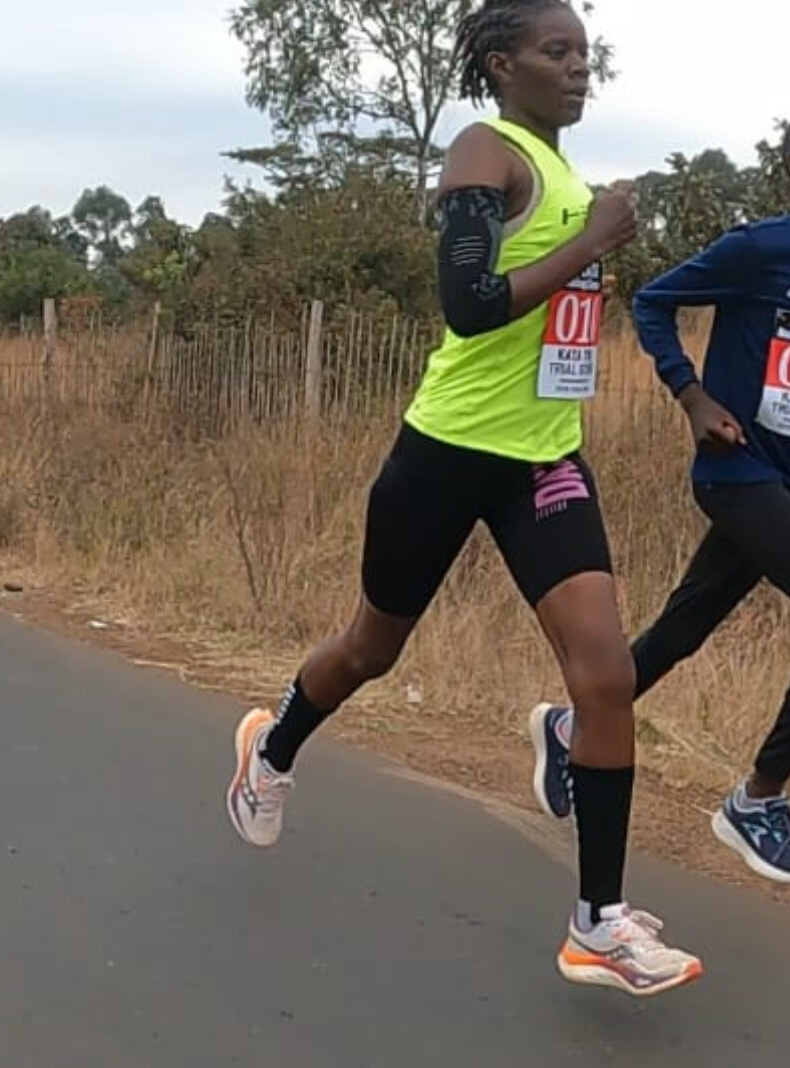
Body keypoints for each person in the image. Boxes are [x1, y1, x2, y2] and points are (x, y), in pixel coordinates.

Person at [226, 0, 703, 997]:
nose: (579, 67)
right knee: (372, 648)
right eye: (556, 51)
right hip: (444, 454)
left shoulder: (566, 174)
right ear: (500, 65)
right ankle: (271, 748)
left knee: (606, 676)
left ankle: (598, 924)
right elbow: (470, 304)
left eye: (585, 52)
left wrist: (590, 246)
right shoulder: (485, 152)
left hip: (545, 460)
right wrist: (593, 241)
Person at [526, 102, 790, 884]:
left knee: (684, 627)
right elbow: (653, 303)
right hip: (735, 473)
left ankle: (570, 726)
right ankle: (758, 799)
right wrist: (691, 397)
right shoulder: (759, 247)